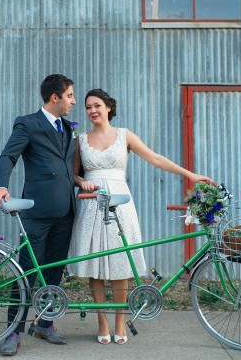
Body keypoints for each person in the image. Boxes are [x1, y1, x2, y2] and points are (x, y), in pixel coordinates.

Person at [68, 89, 214, 345]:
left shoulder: (124, 135)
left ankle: (120, 320)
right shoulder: (80, 139)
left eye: (97, 105)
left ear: (109, 108)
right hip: (91, 203)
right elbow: (73, 173)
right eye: (88, 107)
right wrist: (82, 183)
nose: (93, 111)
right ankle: (101, 321)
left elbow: (155, 158)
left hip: (120, 201)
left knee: (120, 262)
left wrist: (190, 175)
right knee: (96, 263)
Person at [0, 74, 77, 356]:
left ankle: (45, 323)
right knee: (26, 275)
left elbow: (69, 167)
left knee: (54, 273)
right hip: (36, 213)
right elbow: (8, 156)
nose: (73, 101)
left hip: (66, 212)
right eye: (70, 96)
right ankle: (13, 332)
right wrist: (1, 185)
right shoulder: (28, 123)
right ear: (55, 97)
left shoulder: (68, 127)